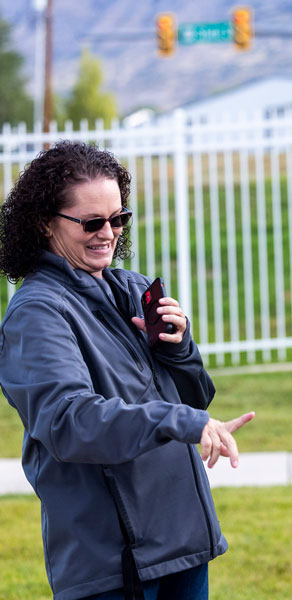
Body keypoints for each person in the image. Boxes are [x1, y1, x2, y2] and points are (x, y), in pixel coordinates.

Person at [0, 141, 254, 600]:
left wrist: (178, 350)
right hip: (114, 560)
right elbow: (68, 422)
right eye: (92, 222)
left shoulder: (131, 289)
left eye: (118, 219)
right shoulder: (37, 312)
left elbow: (194, 400)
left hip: (182, 538)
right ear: (44, 224)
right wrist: (178, 419)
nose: (108, 233)